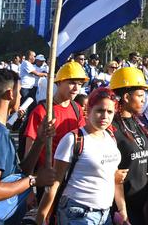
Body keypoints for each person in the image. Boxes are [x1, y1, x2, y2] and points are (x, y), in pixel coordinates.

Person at [0, 68, 56, 225]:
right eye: (19, 92)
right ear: (10, 94)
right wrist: (34, 181)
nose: (21, 96)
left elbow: (17, 175)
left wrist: (40, 140)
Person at [38, 87, 127, 225]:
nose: (105, 116)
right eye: (100, 110)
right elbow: (55, 183)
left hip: (105, 216)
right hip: (76, 214)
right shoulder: (73, 139)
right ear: (88, 110)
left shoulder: (110, 137)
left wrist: (122, 211)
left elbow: (115, 179)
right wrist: (41, 218)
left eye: (110, 112)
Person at [110, 68, 148, 225]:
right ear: (126, 97)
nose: (143, 100)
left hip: (141, 205)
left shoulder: (137, 122)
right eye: (140, 96)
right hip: (122, 208)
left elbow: (141, 159)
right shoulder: (111, 128)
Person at [21, 61, 87, 174]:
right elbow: (29, 152)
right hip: (46, 175)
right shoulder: (42, 111)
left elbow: (82, 141)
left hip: (71, 175)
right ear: (59, 83)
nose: (76, 88)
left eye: (80, 84)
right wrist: (30, 180)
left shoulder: (77, 108)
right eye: (72, 83)